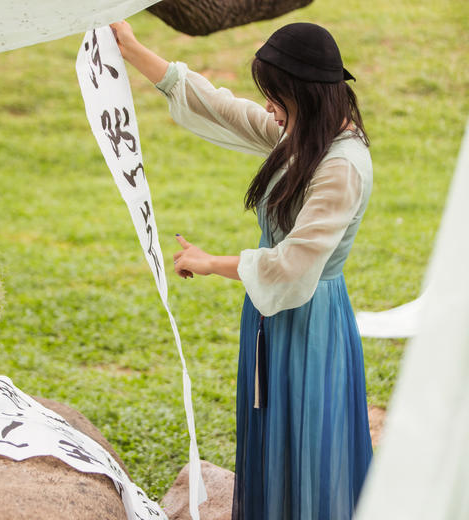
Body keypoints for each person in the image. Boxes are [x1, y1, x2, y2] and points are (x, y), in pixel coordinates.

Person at [110, 20, 373, 520]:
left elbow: (294, 265)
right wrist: (135, 51)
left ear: (305, 96)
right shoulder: (303, 135)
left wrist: (211, 263)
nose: (269, 107)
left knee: (306, 447)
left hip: (310, 323)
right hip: (271, 316)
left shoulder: (342, 166)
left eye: (276, 96)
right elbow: (226, 108)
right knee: (272, 436)